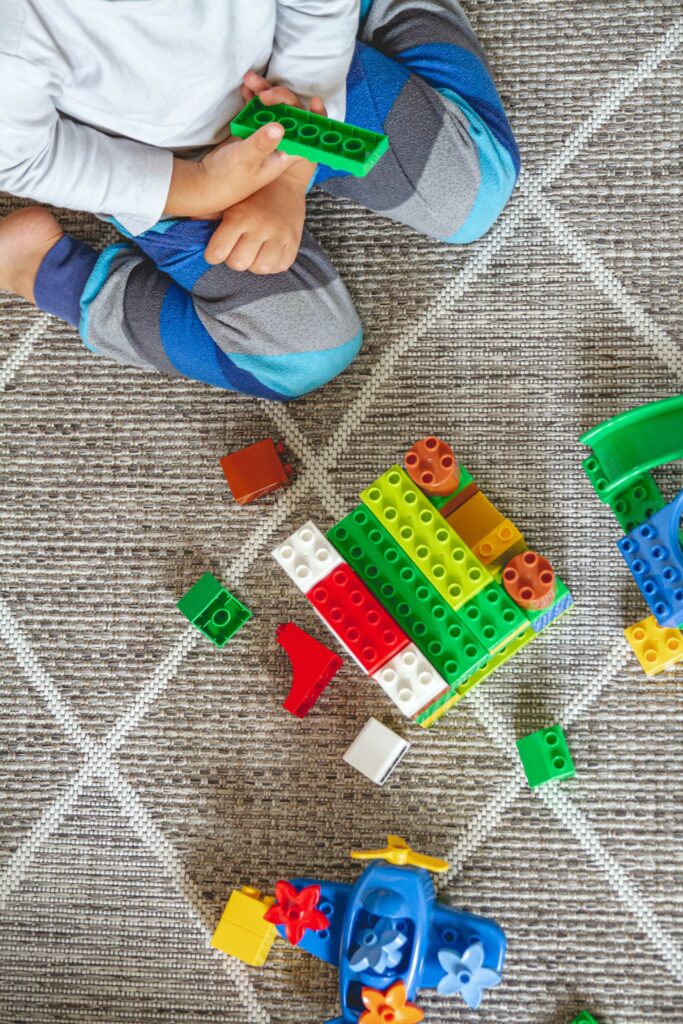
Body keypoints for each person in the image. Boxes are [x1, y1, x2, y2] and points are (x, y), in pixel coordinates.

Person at [0, 0, 520, 401]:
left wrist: (290, 170)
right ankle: (45, 271)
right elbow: (26, 157)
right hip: (158, 164)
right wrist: (196, 186)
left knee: (476, 192)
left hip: (295, 81)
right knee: (301, 359)